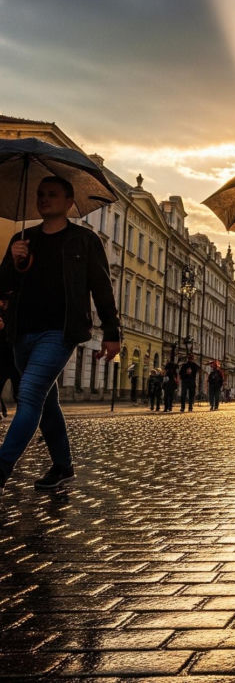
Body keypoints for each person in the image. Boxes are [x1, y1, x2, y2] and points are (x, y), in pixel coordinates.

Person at [0, 175, 120, 497]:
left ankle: (2, 467)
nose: (44, 199)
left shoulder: (84, 240)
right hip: (21, 332)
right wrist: (14, 260)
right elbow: (3, 286)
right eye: (40, 194)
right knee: (45, 401)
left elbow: (102, 287)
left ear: (68, 202)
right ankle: (63, 466)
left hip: (60, 332)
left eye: (52, 194)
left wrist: (112, 332)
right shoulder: (23, 239)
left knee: (28, 396)